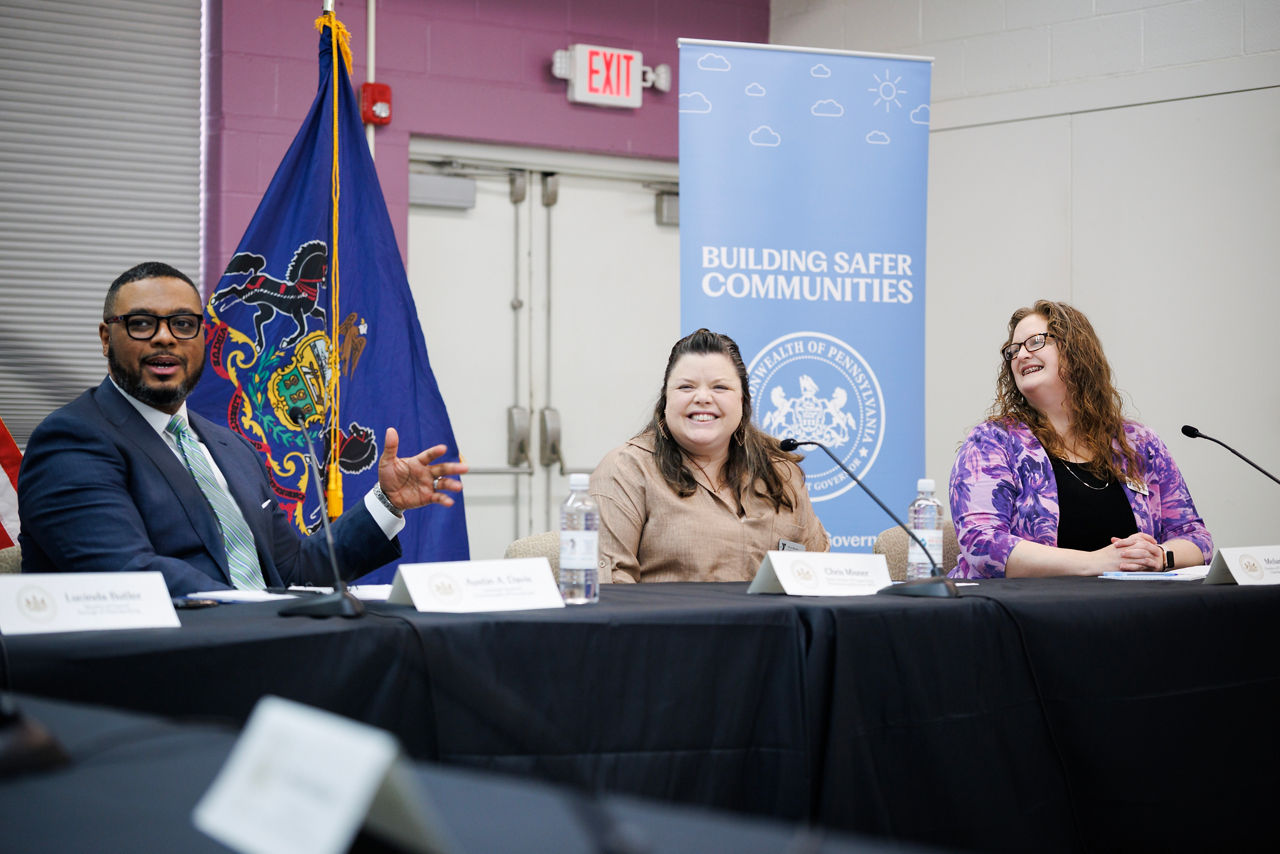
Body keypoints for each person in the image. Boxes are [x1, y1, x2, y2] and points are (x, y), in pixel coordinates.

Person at [18, 261, 467, 596]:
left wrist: (386, 502)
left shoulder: (230, 446)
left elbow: (294, 569)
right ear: (105, 338)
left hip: (264, 647)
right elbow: (128, 576)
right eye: (141, 324)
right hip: (161, 670)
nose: (164, 337)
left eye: (183, 324)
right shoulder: (72, 442)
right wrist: (265, 609)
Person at [949, 299, 1211, 579]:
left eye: (1036, 342)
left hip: (1130, 602)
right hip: (1022, 604)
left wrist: (1160, 556)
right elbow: (983, 544)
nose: (1021, 355)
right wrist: (1096, 562)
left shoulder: (1140, 443)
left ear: (1076, 351)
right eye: (1014, 350)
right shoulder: (992, 442)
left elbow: (1196, 538)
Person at [590, 328, 828, 583]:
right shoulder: (625, 470)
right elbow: (610, 588)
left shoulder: (782, 474)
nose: (703, 398)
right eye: (686, 387)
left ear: (743, 401)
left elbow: (817, 575)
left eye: (720, 387)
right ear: (666, 400)